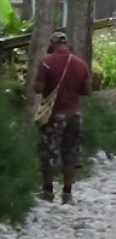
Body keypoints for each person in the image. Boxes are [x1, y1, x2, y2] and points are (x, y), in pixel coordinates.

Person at [33, 32, 92, 205]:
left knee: (48, 153)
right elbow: (88, 91)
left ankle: (48, 191)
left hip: (54, 115)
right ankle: (67, 194)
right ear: (67, 45)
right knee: (71, 153)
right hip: (74, 114)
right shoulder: (81, 64)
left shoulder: (46, 62)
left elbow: (38, 88)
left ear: (52, 45)